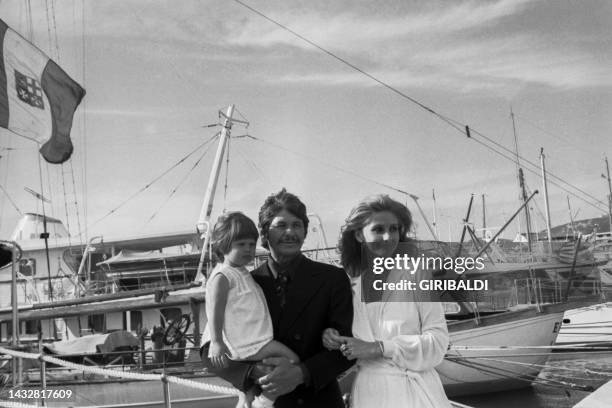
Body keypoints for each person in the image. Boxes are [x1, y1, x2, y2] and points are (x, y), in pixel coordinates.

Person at [201, 189, 354, 408]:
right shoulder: (243, 284)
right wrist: (252, 372)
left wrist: (301, 373)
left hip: (317, 401)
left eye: (297, 225)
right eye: (281, 225)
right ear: (263, 235)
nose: (290, 232)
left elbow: (348, 349)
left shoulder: (333, 279)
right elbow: (209, 349)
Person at [323, 194, 452, 408]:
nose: (388, 237)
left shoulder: (417, 275)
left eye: (394, 229)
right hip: (370, 395)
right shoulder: (348, 286)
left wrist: (381, 348)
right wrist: (333, 339)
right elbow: (350, 349)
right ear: (358, 235)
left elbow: (438, 343)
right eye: (378, 229)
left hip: (416, 395)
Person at [203, 211, 299, 407]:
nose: (248, 249)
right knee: (293, 361)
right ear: (223, 246)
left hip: (255, 340)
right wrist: (216, 342)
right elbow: (215, 310)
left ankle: (247, 399)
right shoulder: (223, 276)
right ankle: (264, 402)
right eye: (241, 245)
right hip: (248, 343)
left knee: (272, 369)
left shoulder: (240, 272)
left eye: (251, 244)